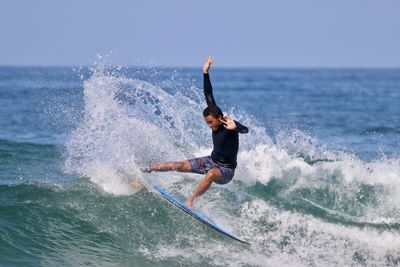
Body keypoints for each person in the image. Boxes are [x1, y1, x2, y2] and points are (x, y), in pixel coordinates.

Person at [141, 56, 249, 209]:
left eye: (211, 122)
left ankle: (191, 201)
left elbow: (246, 130)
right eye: (207, 123)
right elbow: (209, 95)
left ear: (219, 118)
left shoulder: (230, 125)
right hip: (210, 160)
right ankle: (146, 169)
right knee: (179, 164)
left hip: (225, 170)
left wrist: (236, 127)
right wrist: (205, 73)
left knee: (211, 174)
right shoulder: (213, 112)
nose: (209, 125)